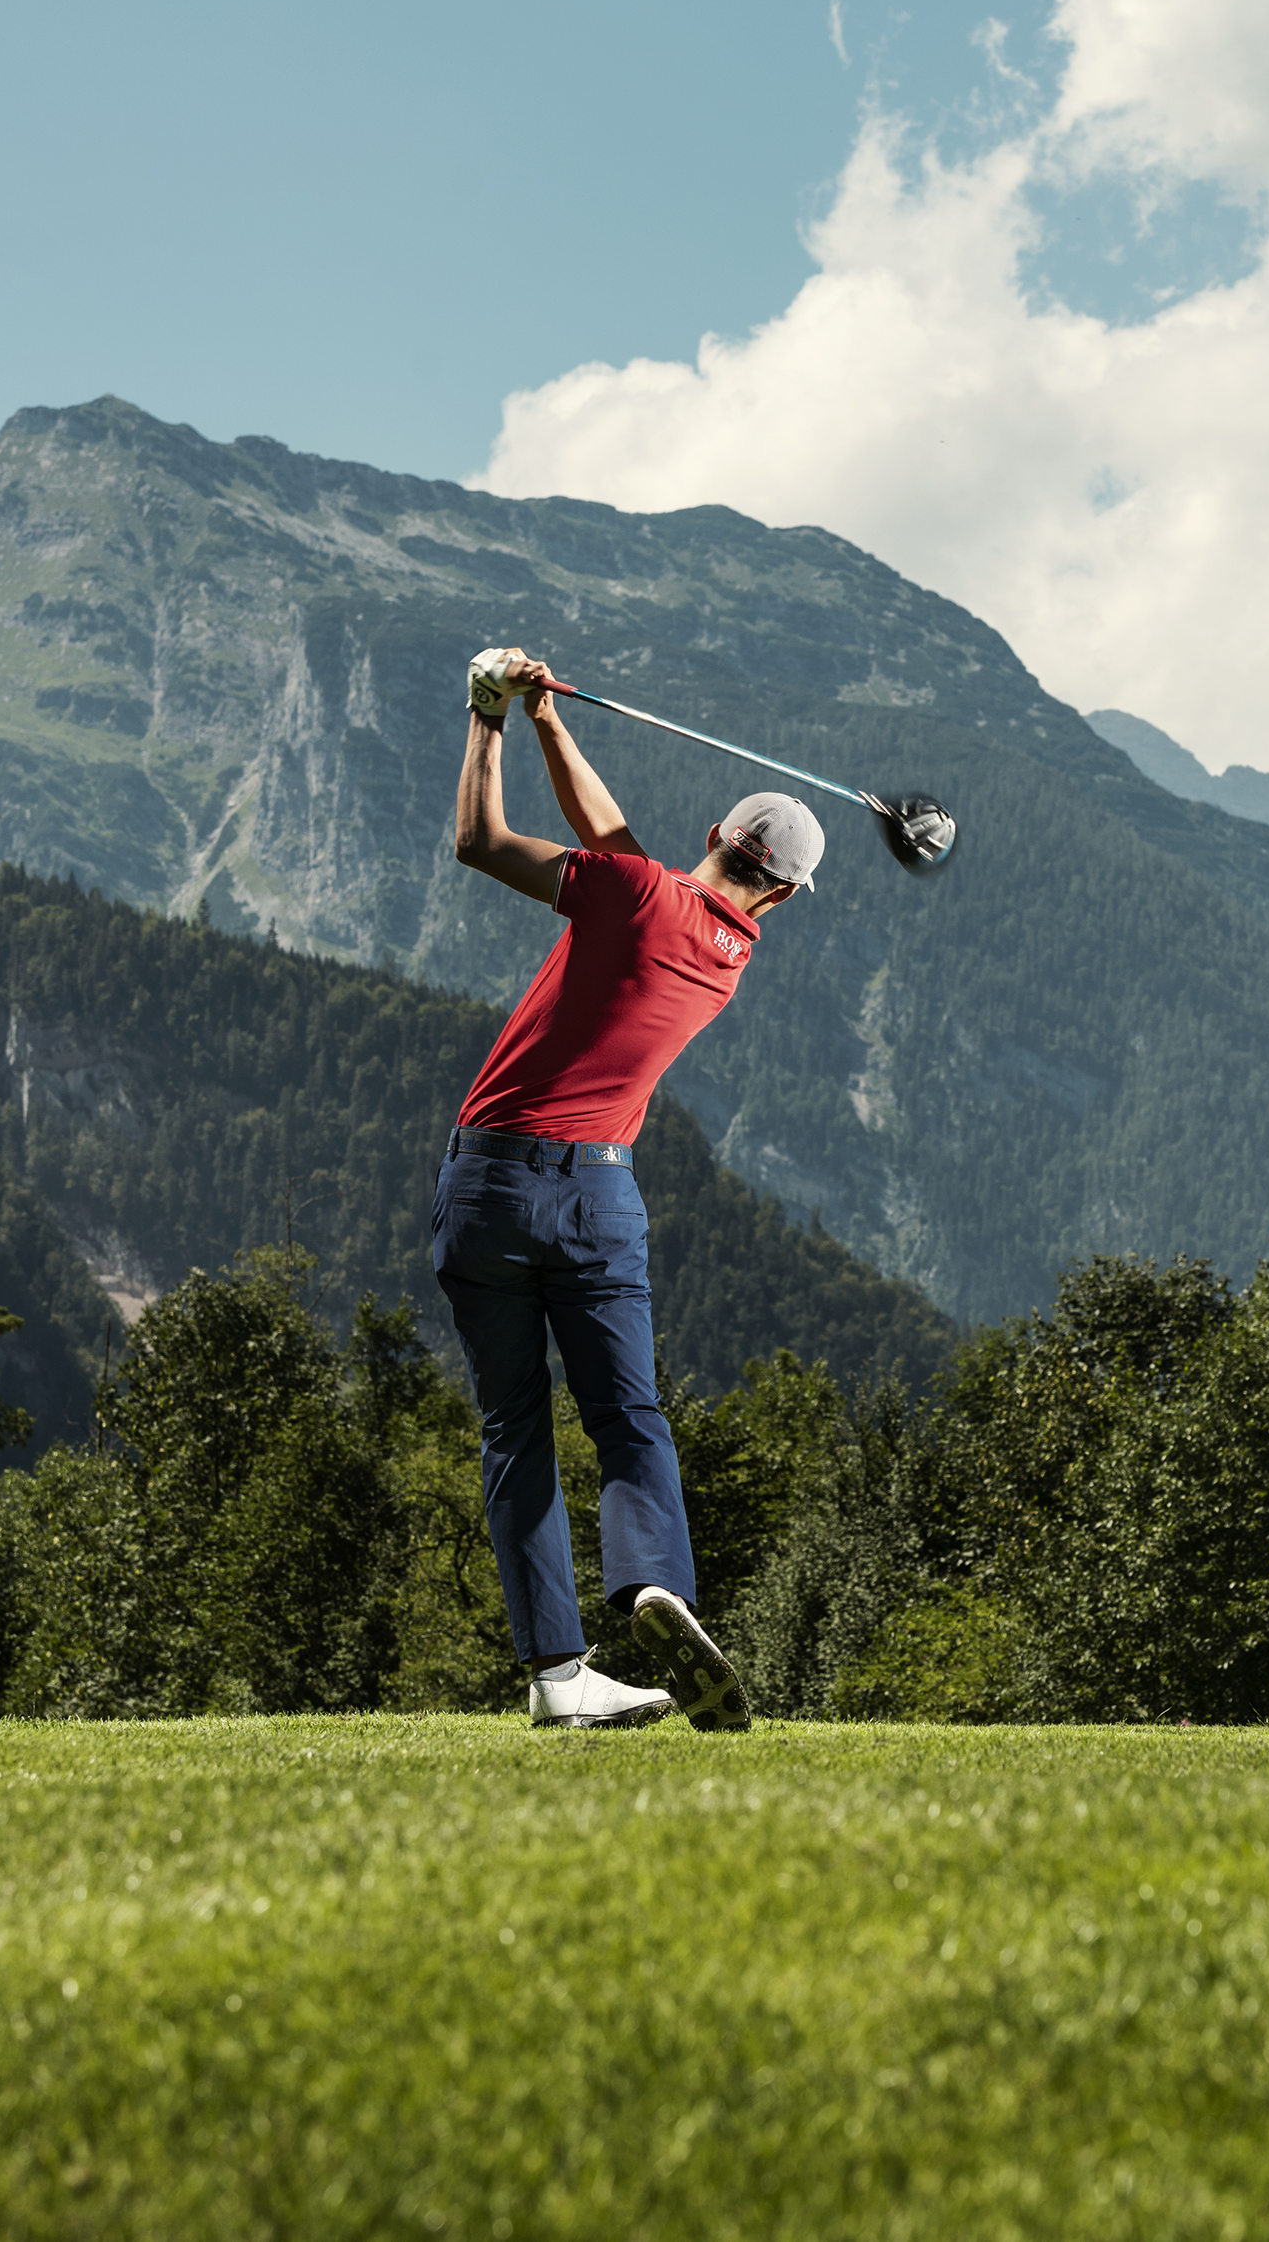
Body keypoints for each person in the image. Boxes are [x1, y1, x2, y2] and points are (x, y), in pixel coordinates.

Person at [430, 646, 823, 1730]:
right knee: (629, 1418)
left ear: (712, 835)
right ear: (782, 894)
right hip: (598, 1199)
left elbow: (480, 842)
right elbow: (621, 853)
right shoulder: (729, 949)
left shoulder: (633, 892)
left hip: (490, 1182)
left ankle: (559, 1677)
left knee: (516, 1428)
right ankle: (658, 1584)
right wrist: (553, 722)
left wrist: (491, 718)